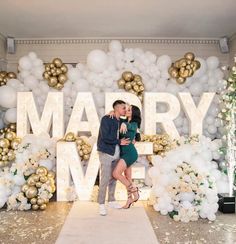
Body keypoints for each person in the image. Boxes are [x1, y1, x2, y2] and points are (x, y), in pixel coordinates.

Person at [97, 100, 130, 216]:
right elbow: (105, 137)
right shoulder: (106, 119)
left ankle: (111, 200)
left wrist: (124, 123)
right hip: (106, 152)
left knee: (113, 177)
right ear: (116, 109)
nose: (125, 110)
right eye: (123, 108)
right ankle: (101, 203)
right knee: (105, 178)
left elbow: (129, 122)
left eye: (126, 108)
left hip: (116, 153)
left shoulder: (121, 120)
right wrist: (119, 141)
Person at [112, 104, 142, 209]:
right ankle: (129, 199)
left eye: (129, 110)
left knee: (116, 173)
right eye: (127, 109)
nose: (127, 111)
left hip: (130, 153)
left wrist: (125, 124)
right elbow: (118, 120)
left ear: (134, 113)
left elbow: (132, 127)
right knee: (128, 177)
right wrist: (112, 113)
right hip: (124, 153)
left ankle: (135, 191)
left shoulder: (134, 123)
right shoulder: (123, 121)